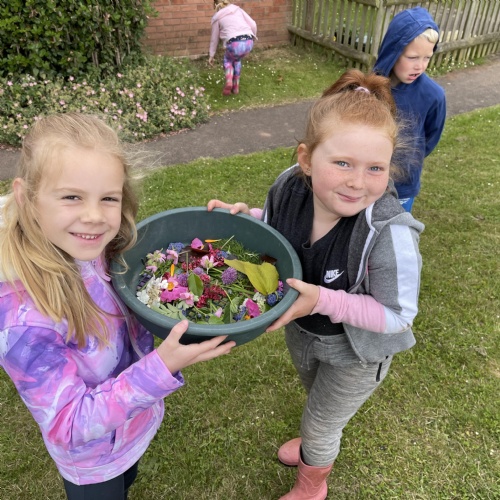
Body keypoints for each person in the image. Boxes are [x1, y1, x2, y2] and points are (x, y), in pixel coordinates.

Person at [208, 69, 424, 499]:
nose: (357, 181)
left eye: (375, 168)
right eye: (342, 163)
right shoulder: (289, 186)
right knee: (315, 401)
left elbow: (399, 316)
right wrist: (249, 220)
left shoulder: (389, 232)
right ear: (306, 159)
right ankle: (316, 439)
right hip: (303, 331)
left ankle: (312, 485)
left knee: (322, 423)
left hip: (357, 352)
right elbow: (276, 230)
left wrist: (323, 300)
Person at [0, 113, 235, 499]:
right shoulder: (23, 321)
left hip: (131, 427)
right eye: (72, 196)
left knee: (127, 479)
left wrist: (234, 227)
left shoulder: (97, 248)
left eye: (108, 198)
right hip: (93, 460)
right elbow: (67, 424)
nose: (94, 216)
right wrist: (160, 368)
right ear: (26, 198)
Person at [374, 6, 446, 212]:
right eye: (413, 57)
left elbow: (430, 139)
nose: (420, 66)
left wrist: (409, 158)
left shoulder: (434, 95)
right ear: (393, 52)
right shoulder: (369, 87)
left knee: (393, 227)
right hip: (366, 178)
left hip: (403, 185)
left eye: (427, 58)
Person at [208, 0, 257, 96]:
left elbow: (214, 39)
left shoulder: (217, 17)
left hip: (234, 43)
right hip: (248, 41)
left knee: (228, 61)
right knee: (237, 60)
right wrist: (253, 37)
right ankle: (235, 87)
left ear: (216, 6)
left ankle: (229, 80)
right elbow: (253, 24)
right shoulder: (238, 10)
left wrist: (211, 55)